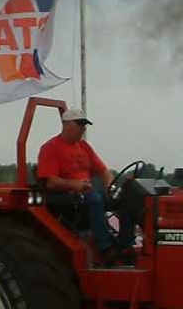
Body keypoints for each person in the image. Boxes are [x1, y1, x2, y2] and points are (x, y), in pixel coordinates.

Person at [37, 108, 135, 266]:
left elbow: (103, 170)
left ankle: (125, 245)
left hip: (87, 192)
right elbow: (50, 182)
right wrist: (75, 185)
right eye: (80, 124)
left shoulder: (84, 147)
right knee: (95, 199)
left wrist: (110, 186)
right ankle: (105, 247)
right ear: (67, 125)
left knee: (127, 199)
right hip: (67, 196)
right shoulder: (51, 147)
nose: (83, 128)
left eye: (84, 125)